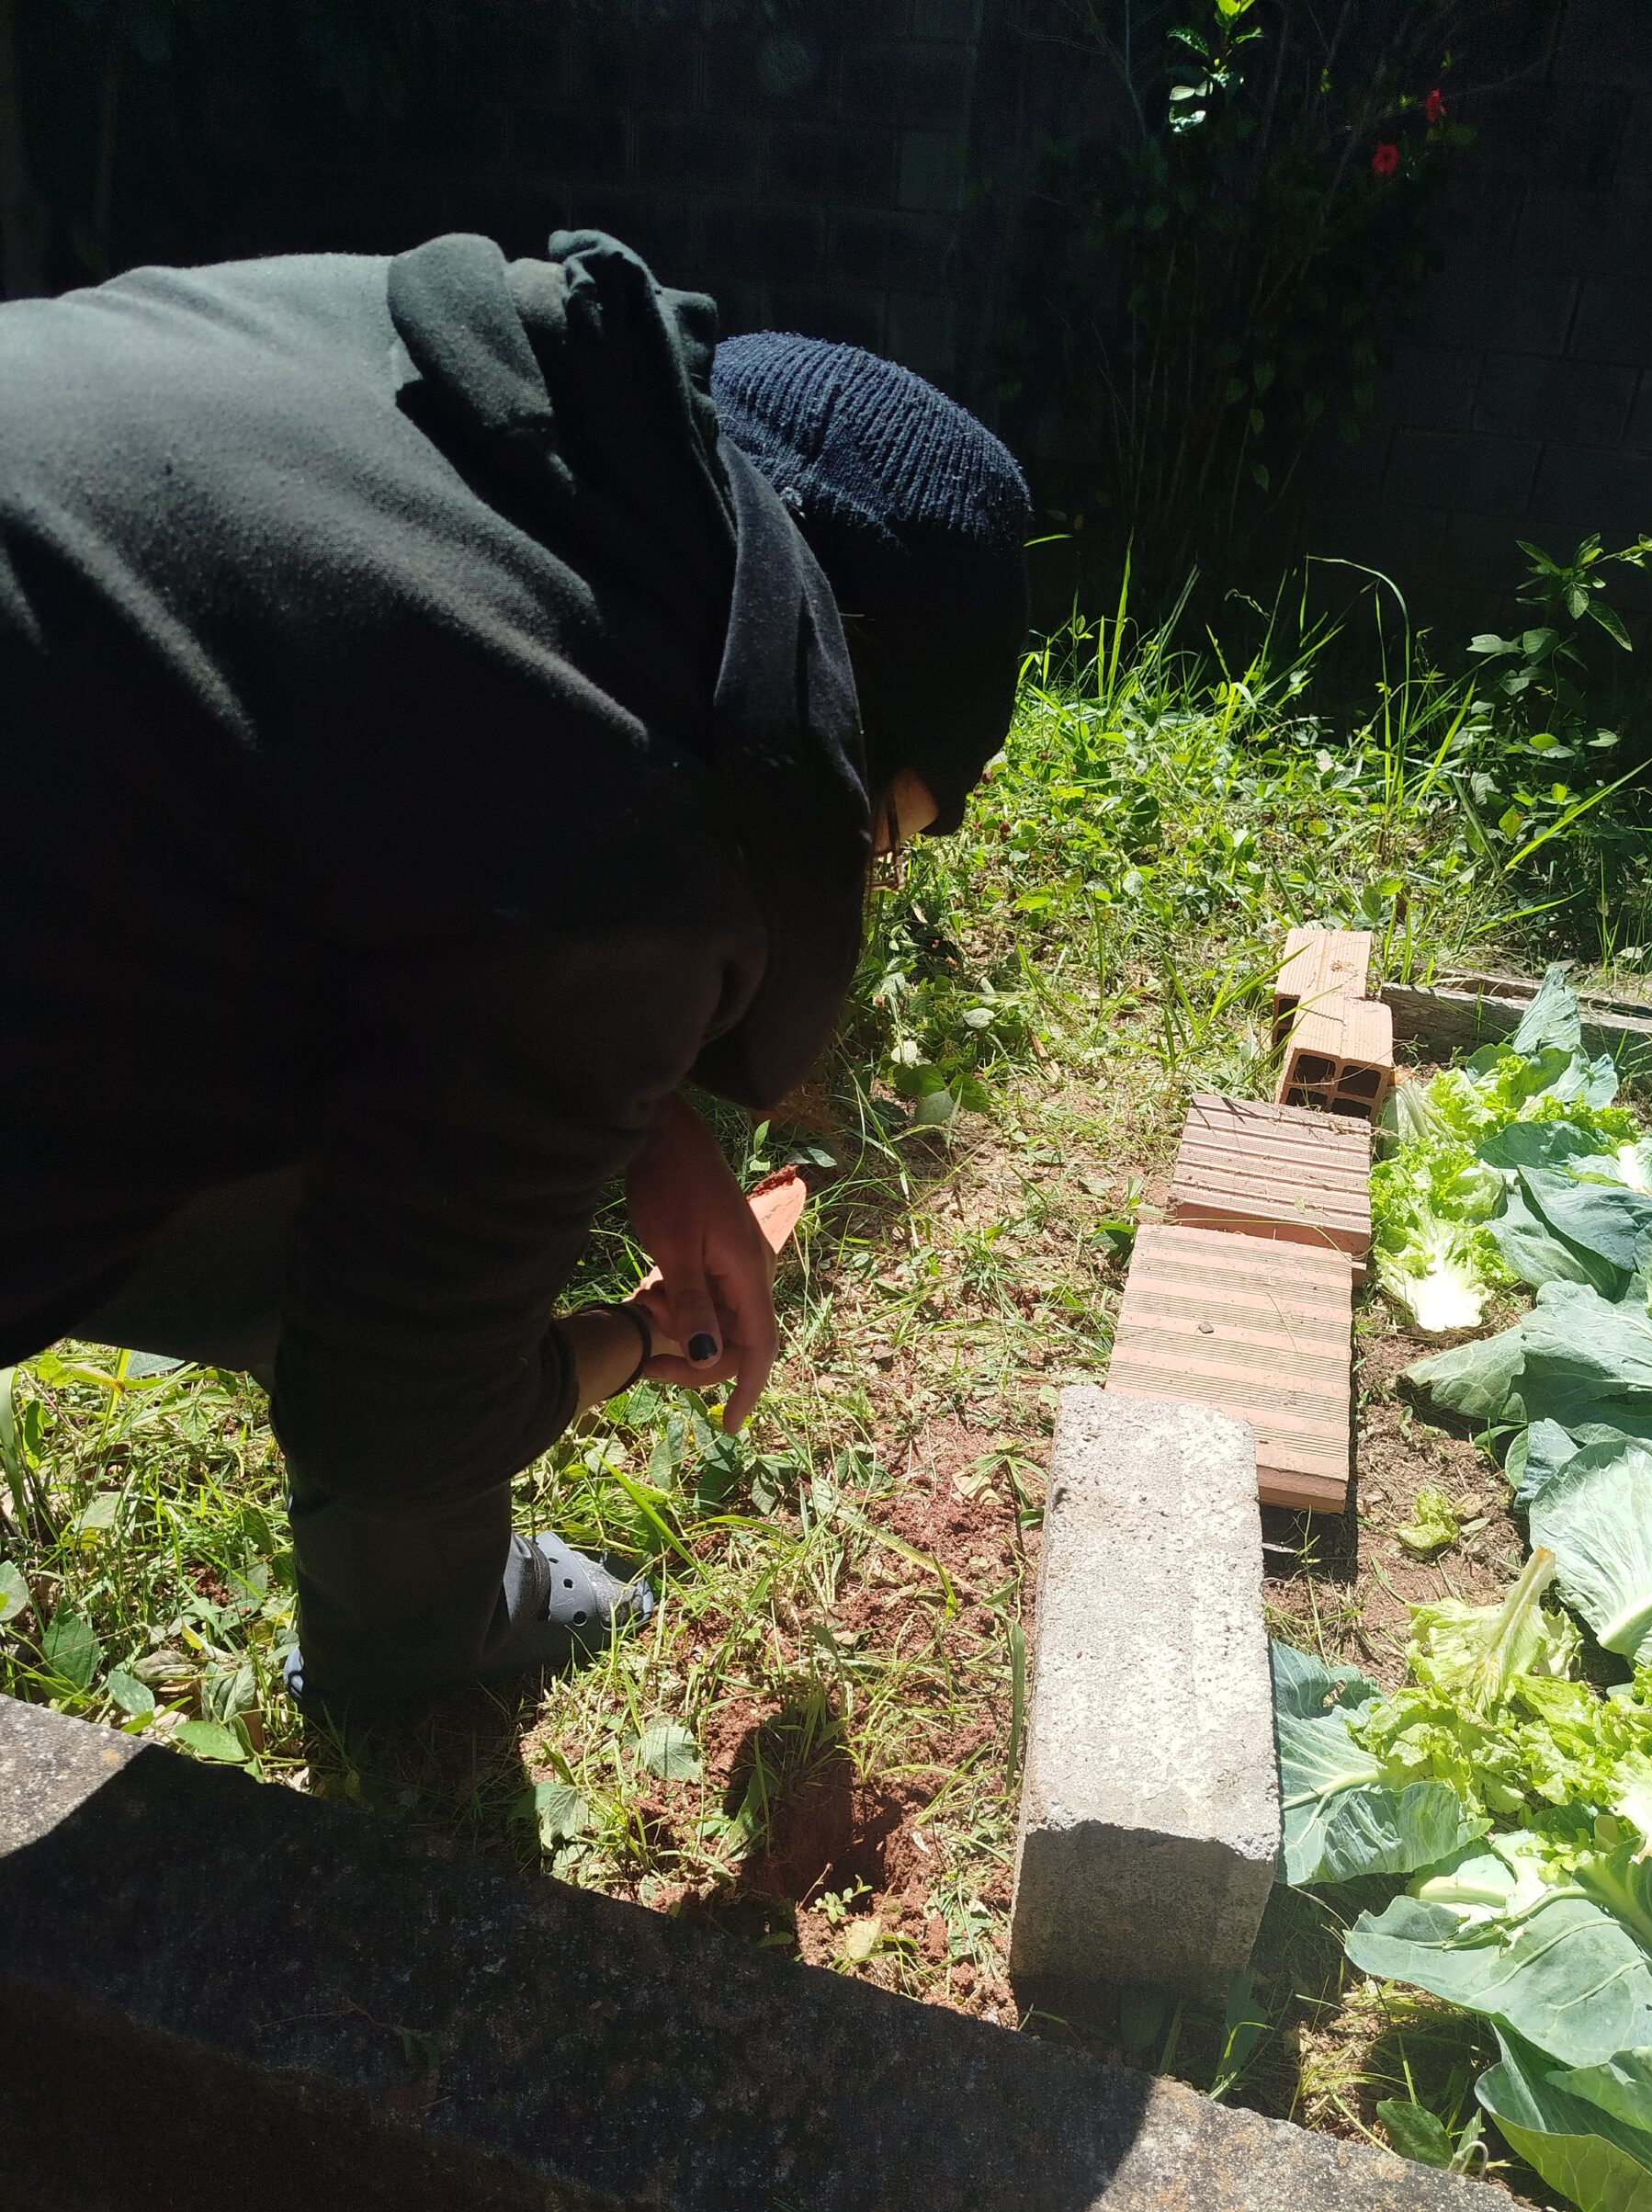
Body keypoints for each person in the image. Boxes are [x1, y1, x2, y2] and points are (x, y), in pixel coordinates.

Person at [0, 228, 1030, 1721]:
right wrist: (631, 1340)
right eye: (886, 836)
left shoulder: (477, 419)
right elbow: (401, 1414)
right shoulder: (650, 827)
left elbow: (399, 808)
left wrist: (652, 1132)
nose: (869, 874)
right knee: (417, 1270)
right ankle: (417, 1651)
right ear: (846, 745)